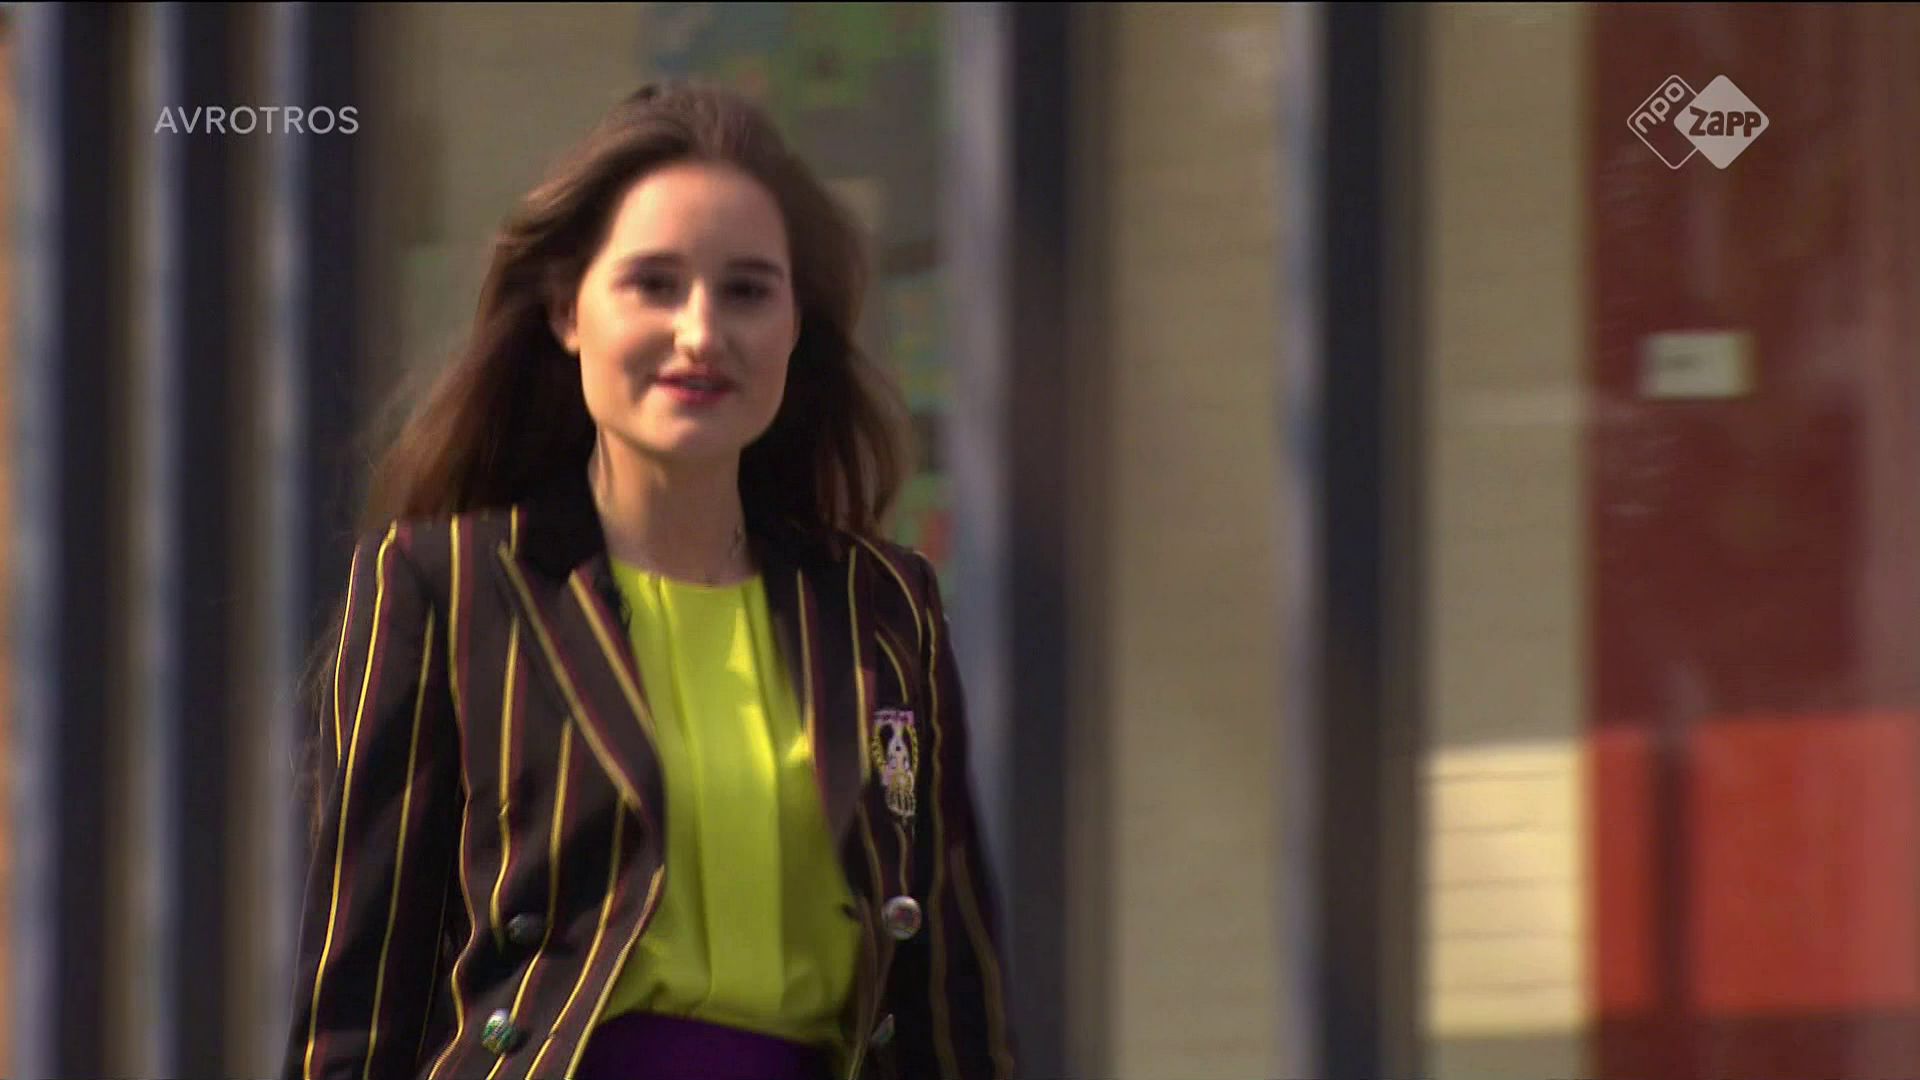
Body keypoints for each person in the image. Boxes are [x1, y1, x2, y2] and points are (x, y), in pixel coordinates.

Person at [281, 80, 1017, 1080]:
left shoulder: (884, 610)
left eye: (747, 290)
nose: (701, 333)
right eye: (655, 284)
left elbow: (951, 1003)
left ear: (797, 325)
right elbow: (357, 1011)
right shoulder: (445, 588)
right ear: (566, 310)